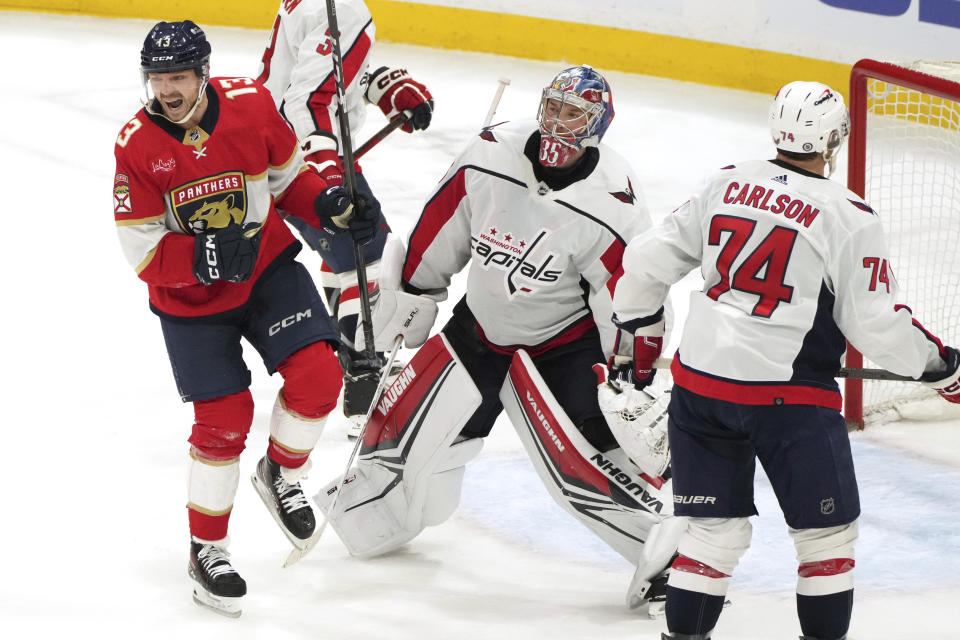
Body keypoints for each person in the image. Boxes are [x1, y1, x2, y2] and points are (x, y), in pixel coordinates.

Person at [316, 65, 684, 615]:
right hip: (478, 334)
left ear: (598, 127)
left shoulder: (614, 201)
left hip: (560, 349)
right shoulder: (491, 154)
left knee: (586, 465)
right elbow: (442, 224)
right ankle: (379, 517)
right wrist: (415, 293)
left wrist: (630, 364)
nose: (559, 126)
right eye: (553, 109)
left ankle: (671, 555)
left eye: (574, 116)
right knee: (397, 438)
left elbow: (628, 291)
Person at [610, 80, 960, 640]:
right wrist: (940, 367)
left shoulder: (724, 181)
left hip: (700, 389)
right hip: (786, 399)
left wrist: (636, 323)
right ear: (833, 140)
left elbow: (646, 260)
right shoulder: (848, 213)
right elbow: (875, 324)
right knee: (825, 541)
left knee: (711, 535)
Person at [113, 20, 376, 617]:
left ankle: (281, 473)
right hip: (191, 302)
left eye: (177, 77)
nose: (166, 90)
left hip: (264, 272)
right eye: (157, 78)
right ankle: (207, 549)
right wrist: (202, 257)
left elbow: (290, 182)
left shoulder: (253, 106)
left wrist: (330, 205)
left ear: (202, 72)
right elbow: (142, 250)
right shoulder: (136, 145)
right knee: (225, 419)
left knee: (319, 376)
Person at [256, 0, 435, 436]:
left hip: (276, 148)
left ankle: (355, 364)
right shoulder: (341, 7)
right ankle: (366, 390)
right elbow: (307, 100)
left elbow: (323, 75)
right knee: (371, 255)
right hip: (302, 156)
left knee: (347, 258)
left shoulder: (314, 3)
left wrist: (384, 86)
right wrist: (328, 175)